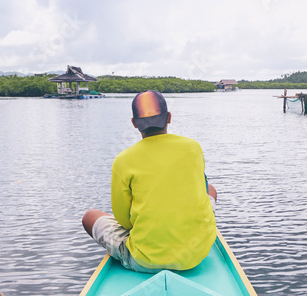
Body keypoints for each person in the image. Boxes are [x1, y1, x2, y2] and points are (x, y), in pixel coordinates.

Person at [82, 90, 218, 272]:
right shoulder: (193, 147)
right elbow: (201, 188)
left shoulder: (124, 160)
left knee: (90, 216)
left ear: (134, 123)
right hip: (196, 256)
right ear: (169, 117)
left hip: (145, 260)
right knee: (211, 190)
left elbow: (124, 221)